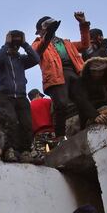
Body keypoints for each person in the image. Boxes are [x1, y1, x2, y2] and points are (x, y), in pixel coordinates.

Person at [33, 12, 91, 140]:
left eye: (52, 25)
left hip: (74, 73)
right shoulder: (37, 43)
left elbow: (85, 44)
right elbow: (37, 53)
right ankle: (60, 136)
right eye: (47, 26)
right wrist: (47, 36)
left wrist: (83, 24)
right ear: (40, 31)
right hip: (55, 77)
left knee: (83, 100)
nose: (50, 28)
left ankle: (86, 127)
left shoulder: (66, 43)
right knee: (61, 104)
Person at [0, 30, 41, 163]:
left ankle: (26, 151)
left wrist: (25, 44)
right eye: (13, 41)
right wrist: (6, 44)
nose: (15, 45)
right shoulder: (3, 58)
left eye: (17, 42)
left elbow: (36, 59)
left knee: (27, 124)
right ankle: (9, 150)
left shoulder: (21, 59)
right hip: (5, 95)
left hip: (21, 96)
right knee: (11, 121)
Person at [29, 89, 55, 154]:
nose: (42, 97)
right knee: (58, 155)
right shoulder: (49, 101)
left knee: (42, 158)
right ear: (37, 95)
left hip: (38, 135)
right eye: (41, 95)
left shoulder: (28, 107)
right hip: (52, 133)